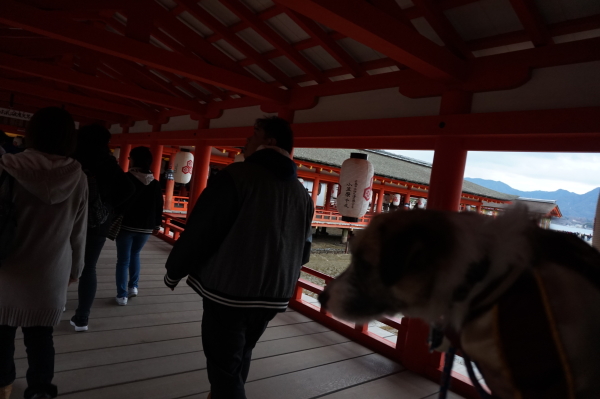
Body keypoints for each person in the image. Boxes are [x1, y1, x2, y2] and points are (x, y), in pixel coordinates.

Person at [164, 116, 314, 399]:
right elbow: (304, 250)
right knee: (241, 353)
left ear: (269, 142)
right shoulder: (301, 194)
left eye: (252, 135)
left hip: (229, 290)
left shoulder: (236, 177)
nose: (245, 141)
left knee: (223, 367)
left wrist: (175, 269)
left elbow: (202, 230)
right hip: (275, 293)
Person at [0, 107, 88, 399]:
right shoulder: (78, 178)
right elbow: (78, 233)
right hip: (50, 274)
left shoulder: (7, 167)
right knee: (41, 341)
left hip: (6, 272)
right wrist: (76, 270)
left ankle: (3, 387)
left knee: (1, 338)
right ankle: (40, 391)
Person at [69, 125, 135, 331]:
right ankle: (82, 318)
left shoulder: (71, 158)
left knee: (61, 262)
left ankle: (57, 303)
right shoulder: (108, 163)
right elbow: (128, 189)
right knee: (89, 267)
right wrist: (108, 207)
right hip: (97, 222)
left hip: (68, 219)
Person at [114, 146, 163, 306]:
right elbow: (159, 206)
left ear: (134, 160)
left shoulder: (126, 178)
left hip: (126, 225)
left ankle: (122, 296)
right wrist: (157, 224)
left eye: (130, 157)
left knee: (123, 260)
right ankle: (133, 287)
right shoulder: (155, 184)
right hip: (146, 228)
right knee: (135, 254)